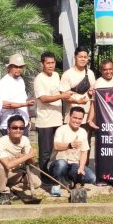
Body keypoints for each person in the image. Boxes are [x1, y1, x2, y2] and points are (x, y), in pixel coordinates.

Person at [34, 51, 73, 183]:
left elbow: (63, 91)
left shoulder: (56, 75)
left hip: (57, 119)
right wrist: (62, 96)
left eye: (53, 63)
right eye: (48, 63)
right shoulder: (39, 79)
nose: (51, 65)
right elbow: (43, 98)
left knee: (57, 150)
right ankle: (45, 179)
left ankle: (57, 175)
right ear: (42, 64)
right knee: (45, 153)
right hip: (45, 121)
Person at [0, 115, 42, 205]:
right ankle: (3, 193)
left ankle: (9, 189)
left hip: (15, 173)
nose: (18, 130)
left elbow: (31, 164)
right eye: (14, 128)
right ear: (8, 129)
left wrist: (28, 157)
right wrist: (26, 156)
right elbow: (7, 165)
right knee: (1, 166)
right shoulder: (0, 142)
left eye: (21, 128)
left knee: (36, 182)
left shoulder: (25, 140)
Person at [49, 106, 96, 196]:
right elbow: (56, 146)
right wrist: (70, 145)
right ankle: (55, 186)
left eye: (80, 119)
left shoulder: (83, 132)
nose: (77, 121)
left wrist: (81, 167)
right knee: (61, 164)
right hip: (58, 163)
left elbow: (84, 152)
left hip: (73, 164)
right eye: (75, 117)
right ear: (70, 117)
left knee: (92, 178)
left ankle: (69, 180)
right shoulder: (61, 129)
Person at [60, 46, 97, 130]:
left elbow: (93, 91)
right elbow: (64, 97)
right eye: (80, 57)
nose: (83, 59)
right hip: (72, 116)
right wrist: (77, 101)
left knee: (86, 142)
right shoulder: (67, 74)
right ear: (75, 57)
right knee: (70, 142)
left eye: (85, 57)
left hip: (87, 116)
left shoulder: (90, 73)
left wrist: (91, 92)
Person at [0, 54, 35, 136]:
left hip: (23, 123)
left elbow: (23, 100)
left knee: (23, 148)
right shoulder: (4, 82)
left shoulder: (21, 80)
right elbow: (4, 104)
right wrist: (25, 104)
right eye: (16, 67)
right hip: (9, 125)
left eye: (21, 67)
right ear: (9, 67)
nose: (18, 69)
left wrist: (27, 118)